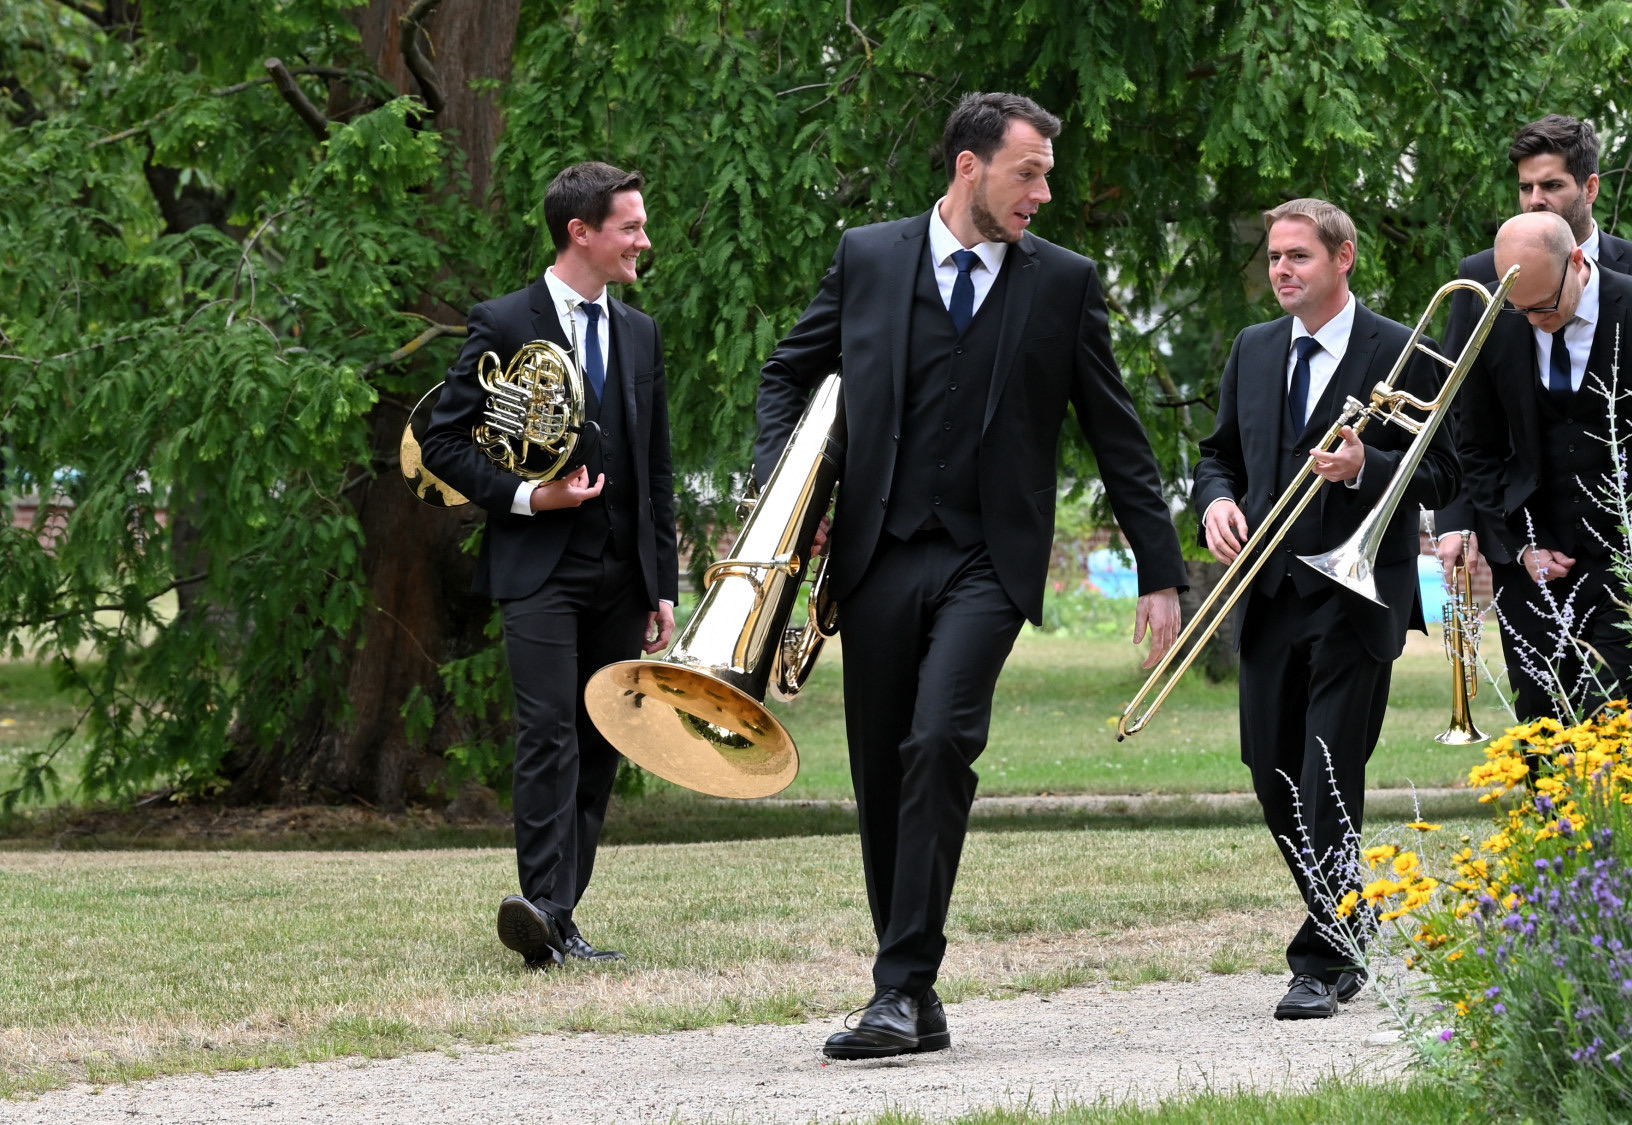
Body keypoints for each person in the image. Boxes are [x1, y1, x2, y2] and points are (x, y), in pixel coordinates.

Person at [754, 91, 1186, 1058]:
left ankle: (899, 988)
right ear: (968, 167)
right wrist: (778, 490)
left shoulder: (1064, 283)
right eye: (1027, 171)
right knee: (880, 769)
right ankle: (914, 992)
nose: (1043, 190)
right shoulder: (869, 256)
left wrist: (1160, 572)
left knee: (940, 739)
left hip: (989, 559)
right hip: (874, 554)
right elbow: (788, 371)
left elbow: (1118, 433)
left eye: (1045, 173)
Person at [1192, 199, 1459, 1020]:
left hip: (1356, 597)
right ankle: (1354, 918)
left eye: (1299, 256)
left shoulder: (1404, 349)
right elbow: (1219, 454)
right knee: (1270, 774)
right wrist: (1215, 502)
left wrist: (1365, 468)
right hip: (1269, 595)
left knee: (1324, 778)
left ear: (1343, 258)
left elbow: (1447, 473)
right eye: (1274, 256)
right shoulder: (1254, 347)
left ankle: (1323, 958)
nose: (1281, 270)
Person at [421, 162, 679, 969]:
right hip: (538, 564)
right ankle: (539, 911)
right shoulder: (504, 320)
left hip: (621, 573)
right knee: (548, 734)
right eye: (630, 227)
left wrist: (663, 584)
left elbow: (657, 469)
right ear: (582, 233)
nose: (643, 240)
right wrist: (532, 497)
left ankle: (560, 913)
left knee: (600, 738)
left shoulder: (639, 332)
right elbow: (441, 440)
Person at [1440, 211, 1632, 723]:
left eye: (1544, 306)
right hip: (1536, 570)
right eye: (1522, 310)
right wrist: (1518, 546)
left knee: (1613, 725)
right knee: (1542, 730)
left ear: (1578, 263)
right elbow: (1475, 447)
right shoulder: (1492, 318)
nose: (1534, 319)